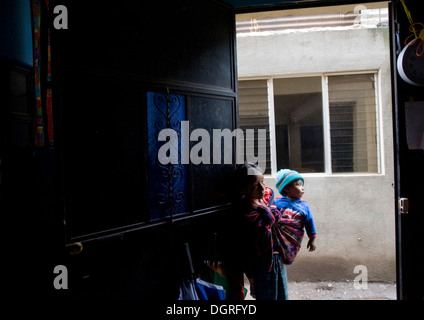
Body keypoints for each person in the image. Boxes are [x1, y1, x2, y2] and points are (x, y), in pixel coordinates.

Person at [230, 162, 289, 300]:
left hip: (277, 261)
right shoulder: (245, 214)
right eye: (256, 185)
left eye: (262, 181)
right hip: (261, 267)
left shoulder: (266, 201)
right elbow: (245, 250)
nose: (262, 188)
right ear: (243, 189)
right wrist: (251, 278)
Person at [274, 169, 317, 258]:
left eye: (302, 185)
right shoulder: (276, 203)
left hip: (294, 237)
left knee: (286, 255)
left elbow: (309, 222)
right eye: (298, 184)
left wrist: (312, 239)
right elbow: (271, 219)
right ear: (286, 188)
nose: (302, 187)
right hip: (277, 238)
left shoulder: (304, 205)